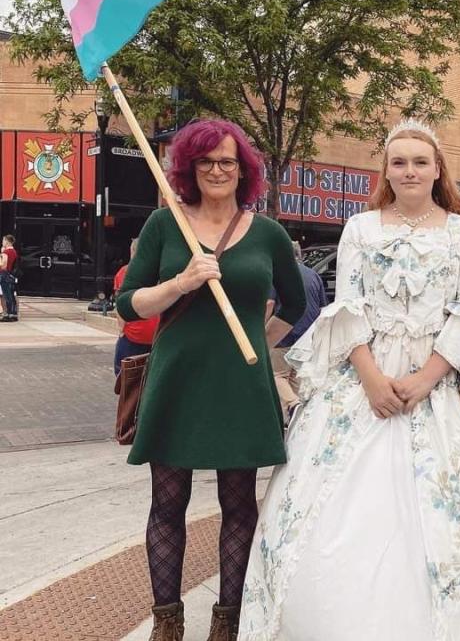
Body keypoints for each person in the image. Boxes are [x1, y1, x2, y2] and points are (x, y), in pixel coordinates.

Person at [239, 120, 460, 641]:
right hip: (362, 382)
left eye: (421, 161)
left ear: (438, 169)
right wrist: (371, 379)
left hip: (437, 386)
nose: (410, 170)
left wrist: (425, 379)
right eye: (400, 162)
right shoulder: (360, 227)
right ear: (387, 171)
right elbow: (345, 309)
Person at [115, 119, 306, 641]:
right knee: (168, 503)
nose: (217, 170)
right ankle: (167, 622)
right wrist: (180, 282)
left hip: (240, 386)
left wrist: (258, 344)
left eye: (228, 161)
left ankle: (227, 620)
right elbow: (127, 302)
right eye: (206, 161)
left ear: (243, 169)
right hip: (178, 379)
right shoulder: (163, 225)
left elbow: (297, 302)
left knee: (239, 505)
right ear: (189, 168)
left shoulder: (268, 232)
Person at [264, 240, 328, 419]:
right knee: (297, 378)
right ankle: (297, 417)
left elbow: (269, 303)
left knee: (278, 375)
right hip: (308, 337)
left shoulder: (279, 275)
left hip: (282, 334)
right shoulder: (313, 275)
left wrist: (261, 333)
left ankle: (293, 405)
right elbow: (323, 307)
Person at [113, 238, 160, 375]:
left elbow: (119, 301)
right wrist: (121, 329)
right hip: (139, 336)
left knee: (127, 379)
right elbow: (120, 302)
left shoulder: (125, 272)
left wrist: (121, 329)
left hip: (144, 336)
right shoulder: (125, 272)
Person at [0, 234, 19, 322]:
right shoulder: (14, 251)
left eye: (3, 240)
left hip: (4, 274)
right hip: (11, 274)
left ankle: (7, 314)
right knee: (11, 294)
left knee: (6, 295)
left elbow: (3, 265)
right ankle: (13, 314)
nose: (2, 242)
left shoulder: (6, 252)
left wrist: (1, 254)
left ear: (7, 242)